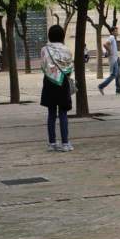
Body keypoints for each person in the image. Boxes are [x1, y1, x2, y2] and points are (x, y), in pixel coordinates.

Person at [40, 24, 74, 152]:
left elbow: (43, 66)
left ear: (49, 36)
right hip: (63, 83)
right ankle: (65, 143)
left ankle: (52, 143)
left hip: (49, 82)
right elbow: (70, 68)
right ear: (63, 36)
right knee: (63, 113)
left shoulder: (44, 49)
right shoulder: (67, 50)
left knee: (51, 113)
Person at [98, 26, 120, 95]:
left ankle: (118, 90)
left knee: (118, 75)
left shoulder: (113, 38)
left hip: (116, 58)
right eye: (116, 31)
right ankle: (101, 86)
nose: (117, 32)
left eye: (117, 31)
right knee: (113, 75)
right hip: (113, 59)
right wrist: (109, 51)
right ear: (112, 32)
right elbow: (105, 44)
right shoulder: (111, 37)